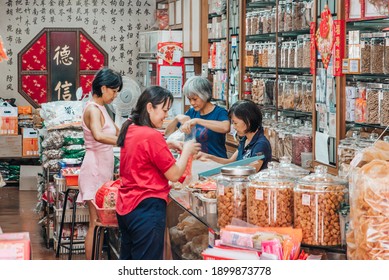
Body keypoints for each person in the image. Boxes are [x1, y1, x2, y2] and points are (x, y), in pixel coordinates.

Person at [116, 86, 201, 260]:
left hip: (126, 206)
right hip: (146, 208)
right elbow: (174, 175)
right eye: (163, 110)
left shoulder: (131, 127)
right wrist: (187, 150)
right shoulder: (150, 135)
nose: (165, 115)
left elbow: (143, 151)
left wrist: (166, 144)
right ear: (149, 107)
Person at [77, 67, 123, 260]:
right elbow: (98, 135)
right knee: (95, 222)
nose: (115, 96)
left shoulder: (103, 107)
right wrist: (123, 142)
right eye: (113, 91)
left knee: (100, 223)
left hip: (102, 169)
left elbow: (118, 132)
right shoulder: (93, 109)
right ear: (103, 88)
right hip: (93, 170)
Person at [164, 76, 230, 158]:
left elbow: (225, 127)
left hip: (216, 162)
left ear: (205, 95)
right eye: (189, 99)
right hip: (197, 162)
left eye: (195, 99)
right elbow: (168, 134)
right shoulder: (191, 112)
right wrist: (176, 118)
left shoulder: (219, 112)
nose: (192, 103)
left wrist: (198, 121)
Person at [197, 99, 271, 172]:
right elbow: (231, 162)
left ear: (248, 121)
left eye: (235, 123)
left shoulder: (261, 144)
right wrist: (209, 157)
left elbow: (250, 172)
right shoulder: (245, 139)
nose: (234, 127)